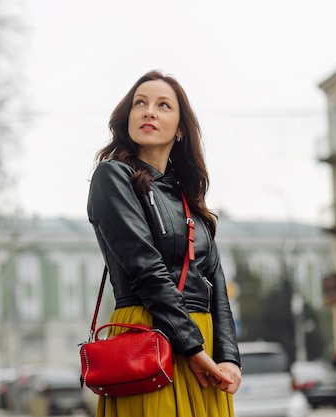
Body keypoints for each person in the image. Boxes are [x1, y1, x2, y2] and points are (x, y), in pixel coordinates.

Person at [87, 69, 242, 417]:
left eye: (163, 105)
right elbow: (146, 269)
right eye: (139, 103)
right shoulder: (112, 177)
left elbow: (216, 285)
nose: (149, 111)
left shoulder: (191, 200)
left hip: (201, 350)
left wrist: (230, 359)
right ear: (126, 117)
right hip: (146, 337)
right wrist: (193, 348)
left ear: (182, 128)